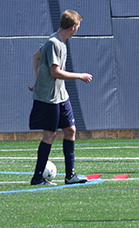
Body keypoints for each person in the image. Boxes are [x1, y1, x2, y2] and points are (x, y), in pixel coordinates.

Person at [28, 10, 92, 186]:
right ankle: (37, 177)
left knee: (70, 130)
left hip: (61, 95)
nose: (78, 29)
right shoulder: (53, 43)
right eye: (78, 26)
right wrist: (79, 76)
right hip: (49, 97)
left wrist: (38, 80)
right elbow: (55, 72)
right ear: (73, 27)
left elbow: (36, 57)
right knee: (50, 134)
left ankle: (70, 175)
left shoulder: (60, 43)